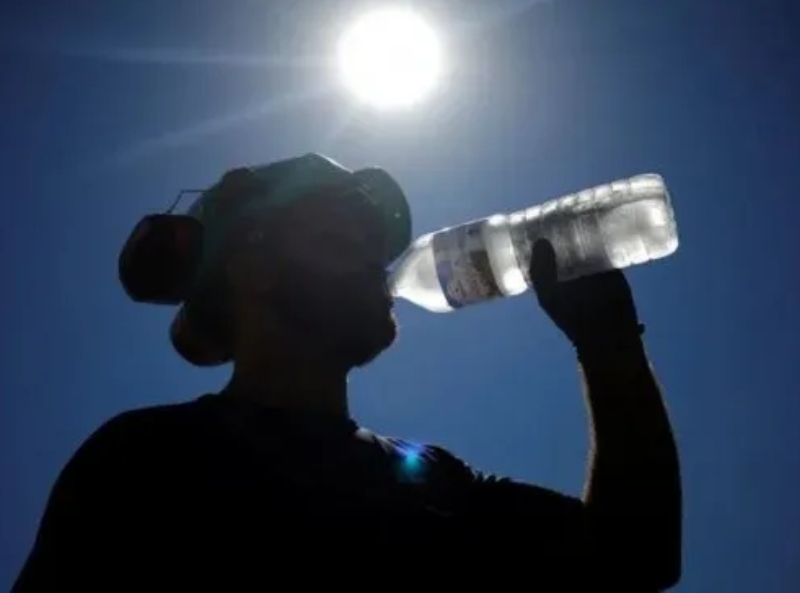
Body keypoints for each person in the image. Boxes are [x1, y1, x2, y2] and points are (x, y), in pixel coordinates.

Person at [14, 154, 682, 591]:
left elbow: (636, 554)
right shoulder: (149, 461)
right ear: (254, 269)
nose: (372, 261)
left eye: (372, 241)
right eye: (339, 237)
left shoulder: (435, 480)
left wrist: (608, 340)